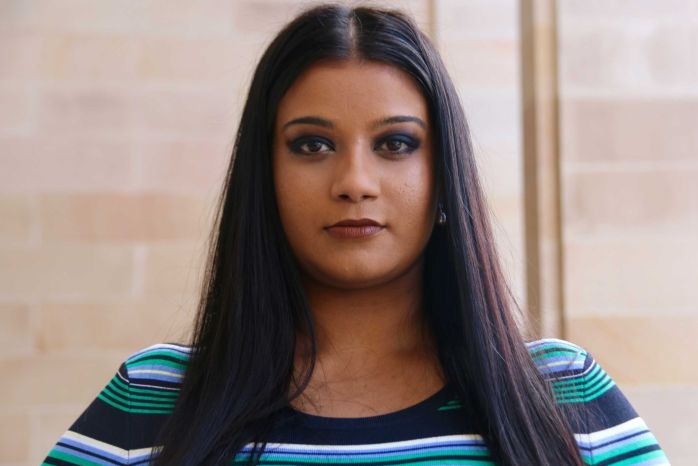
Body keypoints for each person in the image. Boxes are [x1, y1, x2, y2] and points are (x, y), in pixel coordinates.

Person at [43, 4, 669, 466]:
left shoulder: (563, 396)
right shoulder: (154, 398)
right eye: (312, 144)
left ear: (444, 173)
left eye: (396, 144)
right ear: (266, 175)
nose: (354, 181)